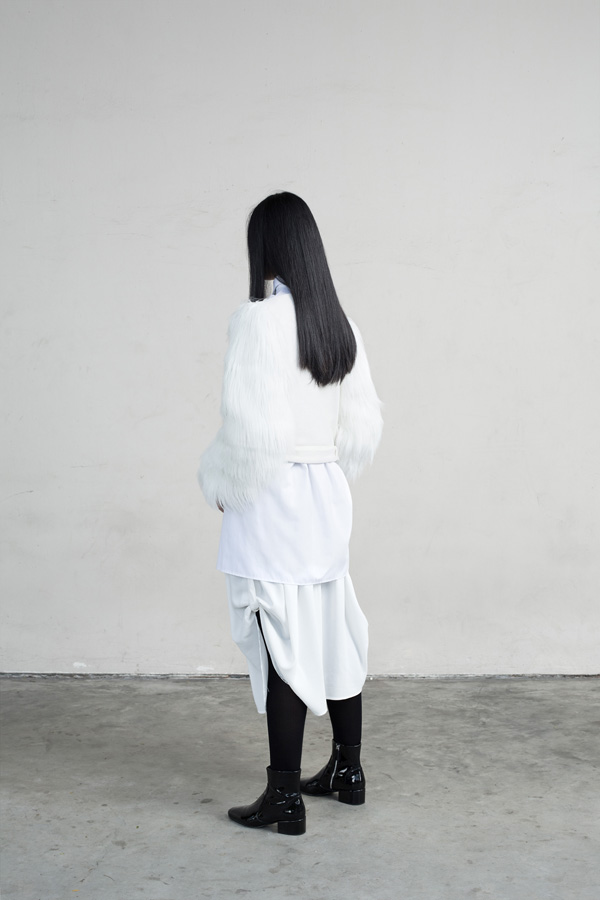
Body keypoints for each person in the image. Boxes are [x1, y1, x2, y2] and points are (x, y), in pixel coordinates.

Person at [197, 191, 384, 836]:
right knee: (333, 626)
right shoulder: (340, 323)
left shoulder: (258, 322)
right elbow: (360, 426)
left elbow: (249, 429)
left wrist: (223, 482)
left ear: (266, 248)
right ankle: (348, 771)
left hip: (274, 496)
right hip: (326, 495)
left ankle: (284, 794)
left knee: (279, 637)